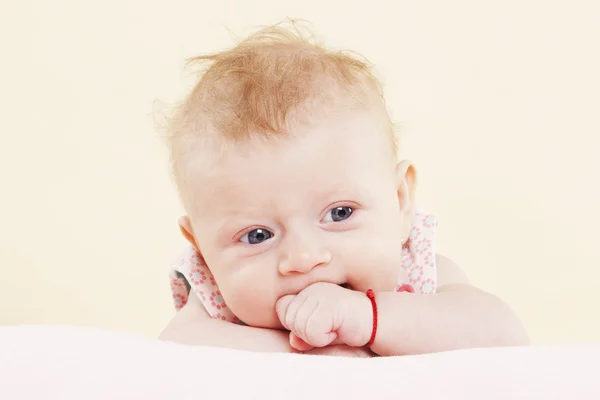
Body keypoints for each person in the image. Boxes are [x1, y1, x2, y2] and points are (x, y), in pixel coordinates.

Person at [158, 21, 529, 356]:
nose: (304, 258)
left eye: (340, 213)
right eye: (257, 235)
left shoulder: (415, 271)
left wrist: (366, 320)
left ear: (399, 202)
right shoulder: (215, 300)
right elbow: (172, 352)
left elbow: (504, 335)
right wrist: (305, 351)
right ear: (202, 250)